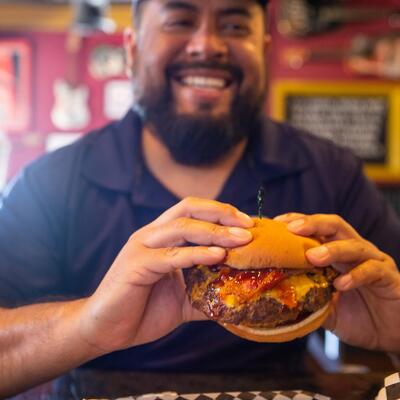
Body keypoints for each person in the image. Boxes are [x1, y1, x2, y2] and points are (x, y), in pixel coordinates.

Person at [0, 0, 400, 396]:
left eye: (235, 25)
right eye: (179, 20)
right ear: (133, 48)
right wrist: (88, 325)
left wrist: (395, 335)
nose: (207, 44)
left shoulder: (331, 172)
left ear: (263, 50)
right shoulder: (49, 184)